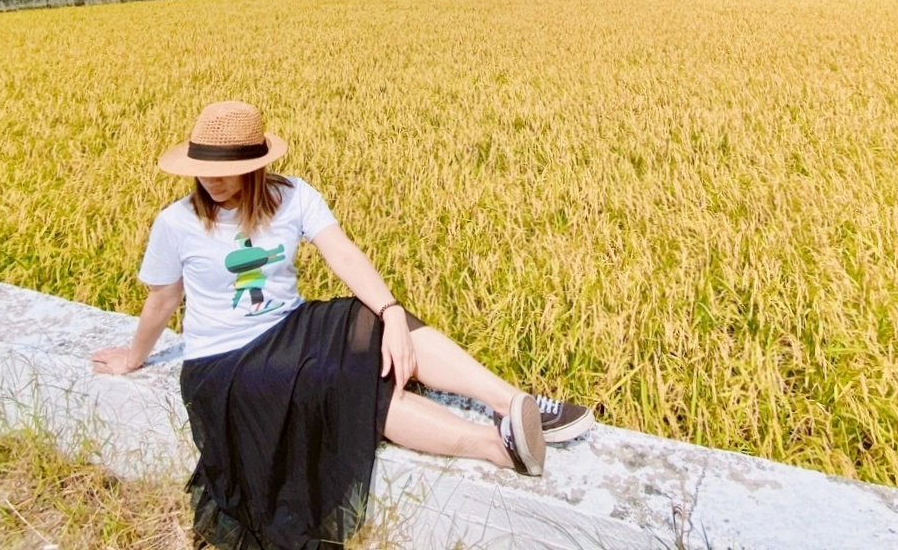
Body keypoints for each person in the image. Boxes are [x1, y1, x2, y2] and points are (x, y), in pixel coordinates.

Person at [91, 100, 593, 550]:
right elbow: (163, 299)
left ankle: (513, 404)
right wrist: (134, 356)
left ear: (258, 167)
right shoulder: (175, 222)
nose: (211, 180)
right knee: (351, 384)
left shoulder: (293, 196)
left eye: (228, 170)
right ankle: (497, 448)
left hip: (291, 324)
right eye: (203, 169)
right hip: (228, 362)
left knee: (369, 320)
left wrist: (391, 311)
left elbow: (343, 254)